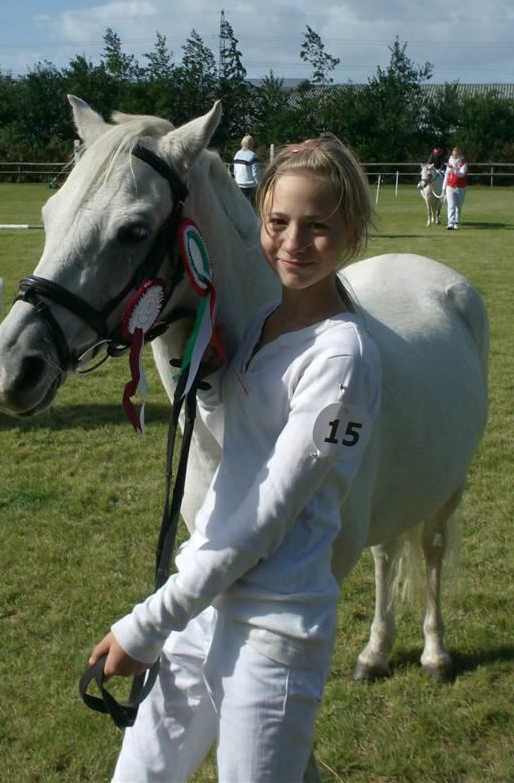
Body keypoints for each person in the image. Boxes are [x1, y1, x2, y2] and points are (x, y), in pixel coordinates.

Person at [89, 135, 382, 782]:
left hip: (275, 629)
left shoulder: (344, 359)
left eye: (318, 227)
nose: (293, 242)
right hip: (204, 603)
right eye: (278, 223)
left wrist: (147, 624)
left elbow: (262, 520)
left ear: (353, 230)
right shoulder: (260, 325)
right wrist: (211, 379)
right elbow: (236, 454)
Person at [231, 134, 261, 202]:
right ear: (251, 144)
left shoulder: (237, 154)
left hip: (238, 183)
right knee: (249, 205)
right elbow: (255, 173)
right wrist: (259, 184)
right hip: (249, 185)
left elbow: (235, 171)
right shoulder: (253, 155)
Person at [445, 145, 468, 230]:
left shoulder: (463, 162)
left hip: (460, 187)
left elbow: (461, 174)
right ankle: (450, 223)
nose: (454, 156)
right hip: (450, 186)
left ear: (459, 154)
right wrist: (443, 189)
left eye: (455, 154)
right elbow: (447, 175)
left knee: (458, 206)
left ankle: (456, 221)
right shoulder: (450, 160)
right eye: (453, 154)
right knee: (451, 205)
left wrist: (454, 168)